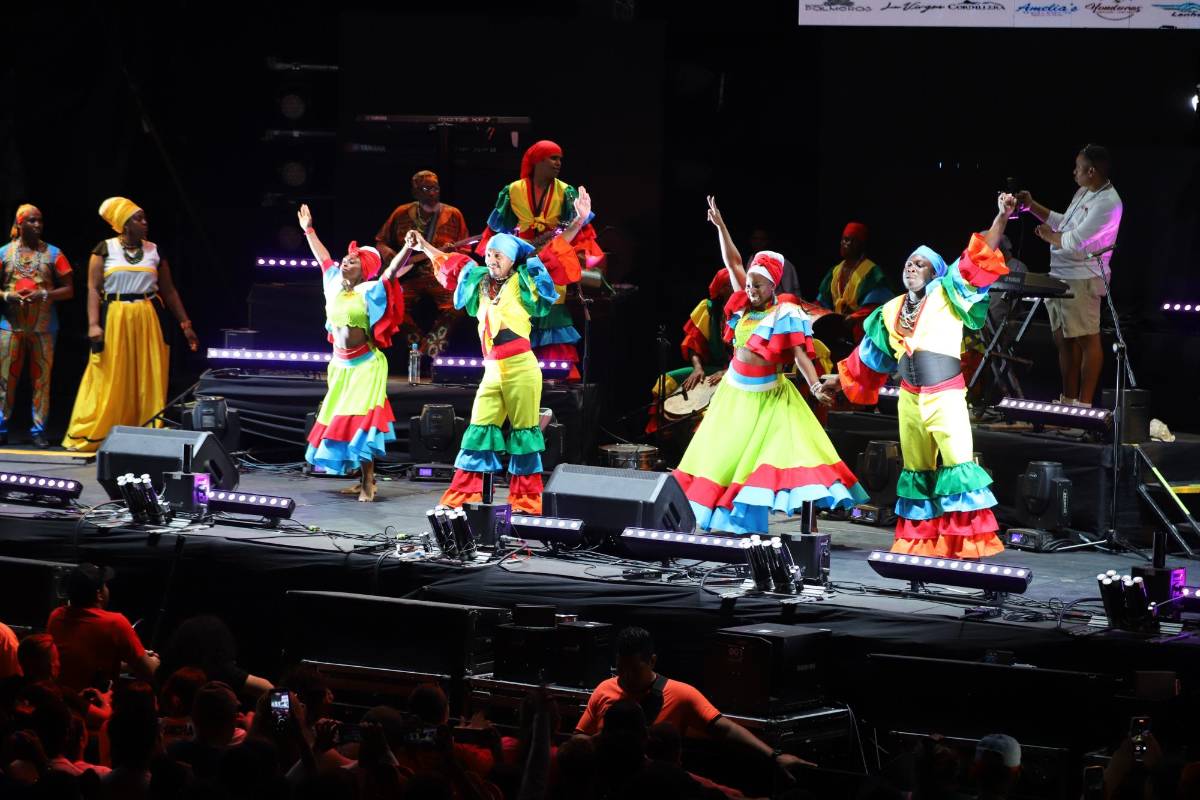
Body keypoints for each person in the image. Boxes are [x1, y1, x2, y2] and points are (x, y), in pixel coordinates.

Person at [822, 194, 1017, 558]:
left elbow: (977, 258)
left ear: (935, 272)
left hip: (945, 396)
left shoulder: (949, 292)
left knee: (958, 465)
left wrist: (1001, 217)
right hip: (909, 400)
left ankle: (964, 544)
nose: (911, 267)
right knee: (916, 470)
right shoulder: (890, 310)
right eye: (909, 263)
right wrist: (838, 379)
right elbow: (869, 356)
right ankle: (921, 543)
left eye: (920, 264)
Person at [672, 196, 867, 534]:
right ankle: (722, 517)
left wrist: (816, 385)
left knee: (781, 459)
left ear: (773, 285)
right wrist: (721, 227)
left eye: (758, 285)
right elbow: (733, 261)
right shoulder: (742, 304)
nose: (750, 290)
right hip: (734, 395)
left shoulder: (784, 313)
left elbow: (800, 355)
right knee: (722, 459)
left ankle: (799, 523)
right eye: (749, 284)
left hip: (768, 398)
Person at [408, 187, 593, 513]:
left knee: (524, 434)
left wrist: (578, 220)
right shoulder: (478, 281)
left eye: (499, 256)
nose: (492, 260)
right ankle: (463, 496)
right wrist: (422, 244)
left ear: (511, 260)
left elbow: (553, 252)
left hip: (521, 368)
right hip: (492, 371)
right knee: (478, 430)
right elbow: (446, 263)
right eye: (490, 254)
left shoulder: (524, 280)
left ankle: (525, 500)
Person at [576, 627, 810, 780]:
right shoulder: (603, 689)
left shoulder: (681, 694)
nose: (626, 676)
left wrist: (774, 756)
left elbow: (725, 729)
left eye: (634, 670)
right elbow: (578, 740)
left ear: (652, 661)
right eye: (621, 669)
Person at [61, 197, 199, 452]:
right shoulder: (104, 249)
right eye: (138, 218)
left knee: (148, 375)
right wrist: (93, 324)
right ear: (124, 223)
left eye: (144, 217)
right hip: (115, 316)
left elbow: (169, 291)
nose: (145, 222)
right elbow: (93, 289)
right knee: (110, 374)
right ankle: (100, 430)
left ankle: (145, 432)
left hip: (147, 317)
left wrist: (185, 324)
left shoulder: (154, 250)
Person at [298, 203, 411, 502]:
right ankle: (360, 477)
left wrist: (407, 248)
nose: (345, 262)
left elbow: (392, 271)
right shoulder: (332, 283)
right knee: (340, 420)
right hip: (339, 365)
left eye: (353, 261)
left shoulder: (370, 291)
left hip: (366, 365)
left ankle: (368, 481)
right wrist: (309, 229)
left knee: (361, 421)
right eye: (345, 259)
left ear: (364, 270)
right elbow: (322, 257)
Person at [479, 140, 604, 375]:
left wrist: (579, 232)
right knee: (517, 312)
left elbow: (581, 234)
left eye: (560, 159)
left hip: (551, 259)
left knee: (551, 310)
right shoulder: (513, 191)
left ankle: (556, 376)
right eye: (553, 158)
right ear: (537, 161)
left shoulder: (565, 191)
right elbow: (498, 231)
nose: (558, 163)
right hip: (520, 262)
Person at [1016, 144, 1122, 407]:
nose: (1074, 172)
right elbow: (1063, 223)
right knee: (1064, 341)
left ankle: (1082, 407)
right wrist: (1031, 207)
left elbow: (1075, 240)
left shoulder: (1109, 203)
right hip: (1060, 275)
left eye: (1078, 167)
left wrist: (1049, 236)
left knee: (1087, 339)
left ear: (1091, 171)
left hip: (1083, 278)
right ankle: (1068, 401)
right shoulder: (1084, 191)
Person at [374, 170, 472, 357]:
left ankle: (427, 351)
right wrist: (390, 255)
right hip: (409, 277)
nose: (433, 193)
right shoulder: (401, 213)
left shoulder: (453, 214)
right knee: (391, 303)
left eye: (435, 188)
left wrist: (451, 255)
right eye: (426, 189)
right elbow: (380, 242)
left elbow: (466, 249)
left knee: (459, 304)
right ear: (415, 192)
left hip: (441, 278)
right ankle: (416, 346)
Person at [0, 204, 73, 447]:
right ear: (19, 224)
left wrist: (45, 294)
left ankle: (38, 429)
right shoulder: (4, 253)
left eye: (40, 220)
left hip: (44, 327)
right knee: (5, 378)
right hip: (10, 326)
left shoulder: (54, 253)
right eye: (31, 220)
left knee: (42, 379)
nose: (37, 225)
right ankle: (1, 426)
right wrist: (7, 296)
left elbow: (69, 289)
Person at [45, 564, 159, 691]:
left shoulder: (56, 616)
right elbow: (149, 671)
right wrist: (154, 661)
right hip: (92, 700)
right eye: (105, 585)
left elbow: (80, 665)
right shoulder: (115, 623)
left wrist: (129, 664)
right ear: (99, 594)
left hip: (58, 698)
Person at [646, 268, 733, 434]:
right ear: (722, 289)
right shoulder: (708, 309)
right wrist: (698, 368)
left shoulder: (747, 311)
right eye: (730, 284)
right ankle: (666, 434)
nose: (737, 287)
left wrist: (728, 371)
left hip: (737, 373)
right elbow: (693, 343)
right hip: (712, 370)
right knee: (666, 381)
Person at [815, 221, 891, 342]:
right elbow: (822, 302)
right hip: (836, 329)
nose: (847, 244)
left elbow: (877, 306)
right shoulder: (835, 271)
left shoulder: (871, 272)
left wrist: (855, 317)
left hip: (859, 331)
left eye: (853, 241)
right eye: (845, 239)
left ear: (862, 245)